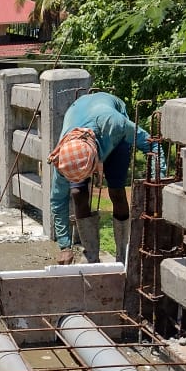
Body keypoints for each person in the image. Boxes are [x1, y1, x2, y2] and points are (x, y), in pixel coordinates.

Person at [48, 91, 155, 265]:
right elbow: (58, 201)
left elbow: (151, 144)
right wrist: (64, 247)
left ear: (96, 159)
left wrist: (158, 181)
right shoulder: (64, 158)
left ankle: (123, 255)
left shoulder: (116, 125)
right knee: (77, 192)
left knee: (116, 192)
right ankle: (91, 256)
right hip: (80, 113)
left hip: (113, 135)